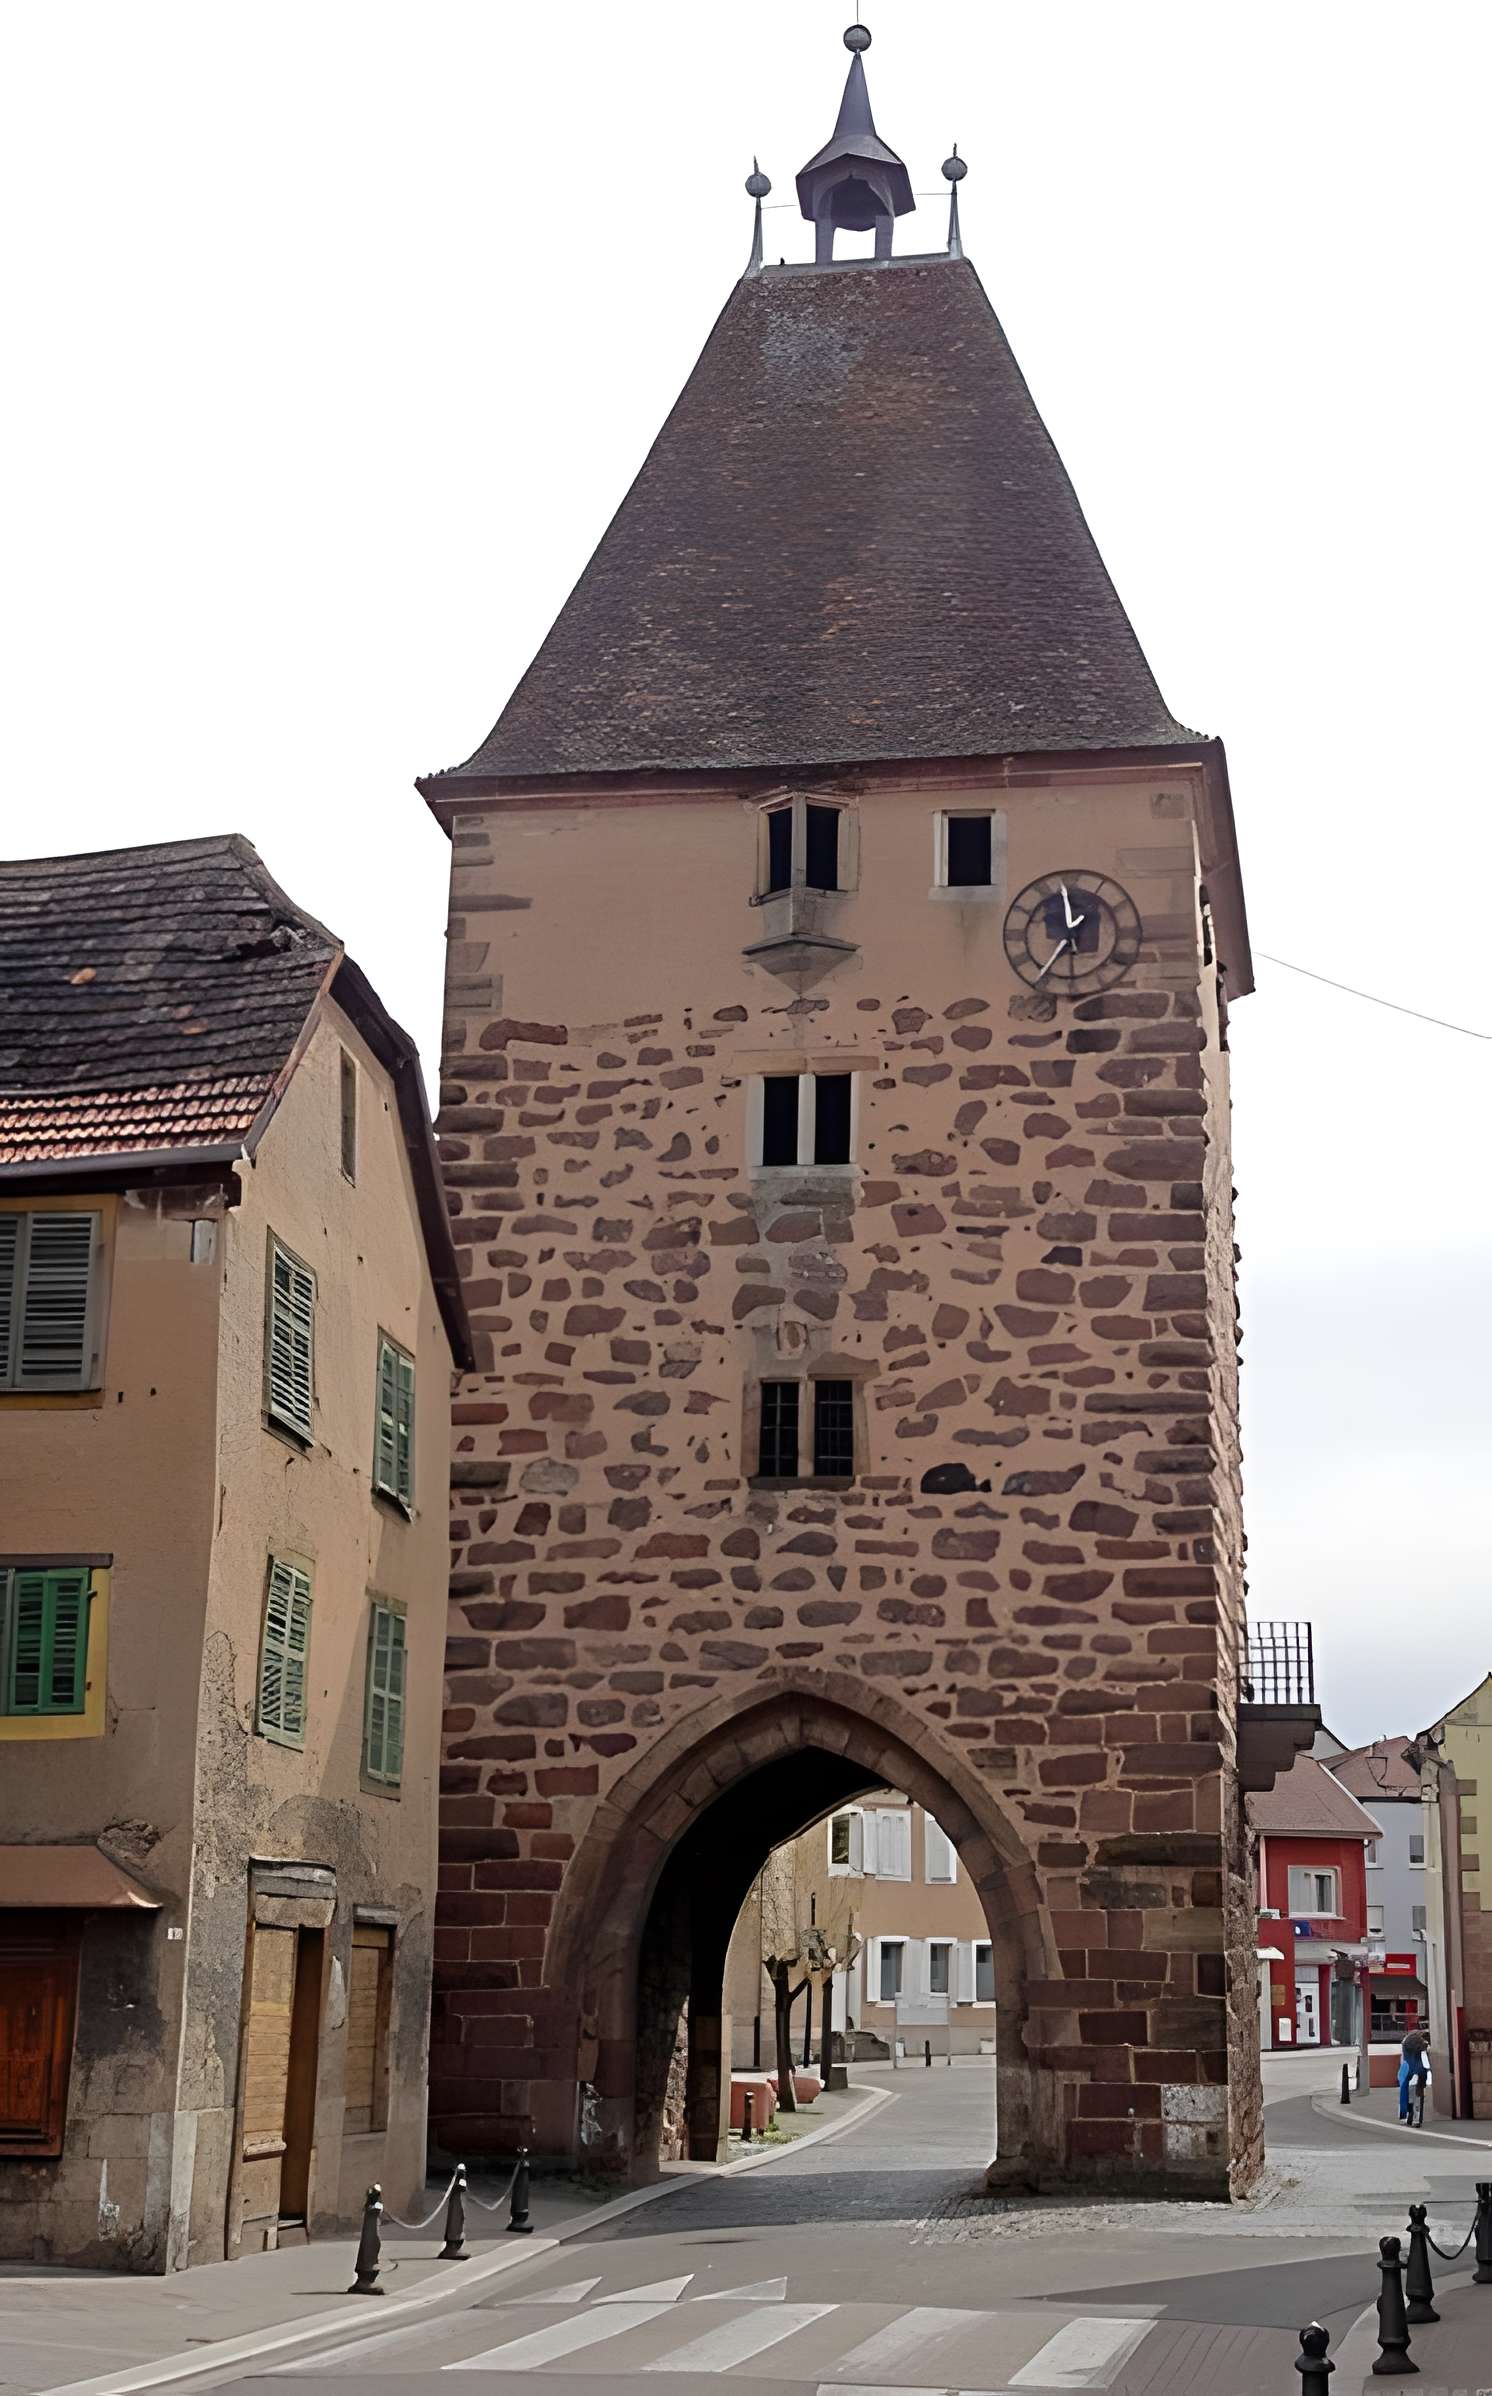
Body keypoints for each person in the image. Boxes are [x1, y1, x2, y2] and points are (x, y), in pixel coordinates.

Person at [1399, 2026, 1430, 2123]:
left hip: (1405, 2070)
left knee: (1405, 2094)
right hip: (1417, 2071)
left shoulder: (1405, 2042)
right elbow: (1424, 2051)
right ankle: (1415, 2117)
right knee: (1417, 2095)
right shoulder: (1419, 2042)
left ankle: (1405, 2115)